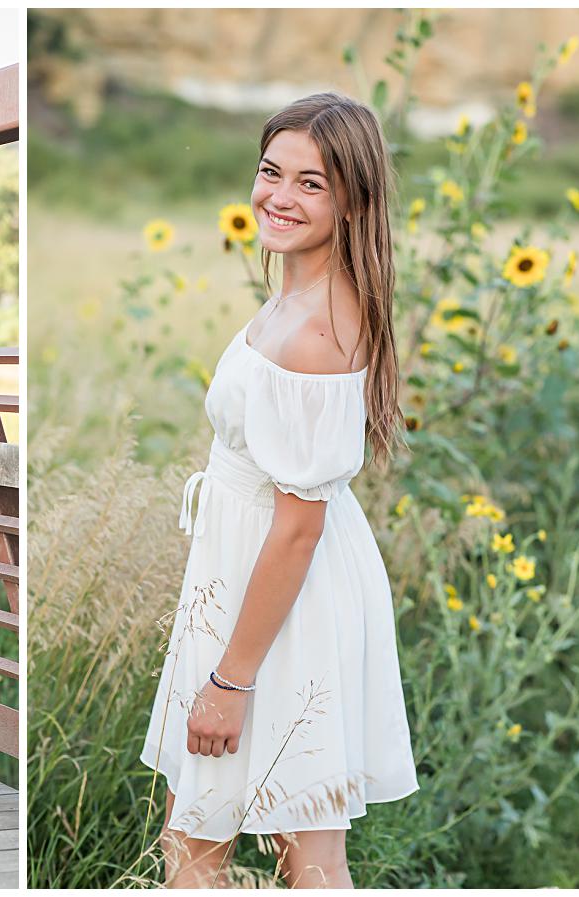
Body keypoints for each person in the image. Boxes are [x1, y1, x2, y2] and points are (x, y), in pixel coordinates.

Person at [139, 93, 419, 888]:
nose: (279, 197)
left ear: (353, 199)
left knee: (235, 843)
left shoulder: (317, 333)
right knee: (213, 832)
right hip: (253, 575)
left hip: (284, 597)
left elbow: (297, 529)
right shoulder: (294, 296)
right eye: (271, 172)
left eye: (312, 183)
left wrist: (230, 680)